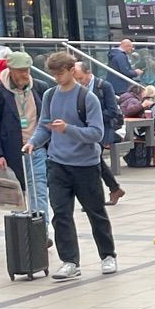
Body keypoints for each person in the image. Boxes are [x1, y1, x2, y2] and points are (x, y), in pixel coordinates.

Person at [31, 51, 116, 280]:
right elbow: (44, 126)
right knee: (60, 213)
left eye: (61, 73)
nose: (57, 78)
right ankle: (70, 261)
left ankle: (108, 255)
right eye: (54, 74)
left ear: (72, 71)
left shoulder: (87, 98)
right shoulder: (49, 96)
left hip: (85, 165)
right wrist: (32, 143)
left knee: (95, 211)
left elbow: (96, 133)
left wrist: (68, 129)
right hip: (57, 163)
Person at [0, 51, 49, 216]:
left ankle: (41, 230)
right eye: (21, 70)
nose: (25, 74)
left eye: (27, 70)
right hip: (11, 150)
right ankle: (20, 231)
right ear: (11, 69)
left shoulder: (40, 87)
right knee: (15, 193)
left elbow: (47, 118)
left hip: (36, 148)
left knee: (39, 189)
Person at [74, 60, 125, 207]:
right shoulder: (76, 89)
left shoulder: (103, 86)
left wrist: (92, 115)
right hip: (85, 130)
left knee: (93, 161)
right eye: (76, 79)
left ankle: (95, 199)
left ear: (89, 74)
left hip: (102, 129)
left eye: (81, 78)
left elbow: (112, 111)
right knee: (96, 161)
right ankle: (114, 188)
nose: (79, 82)